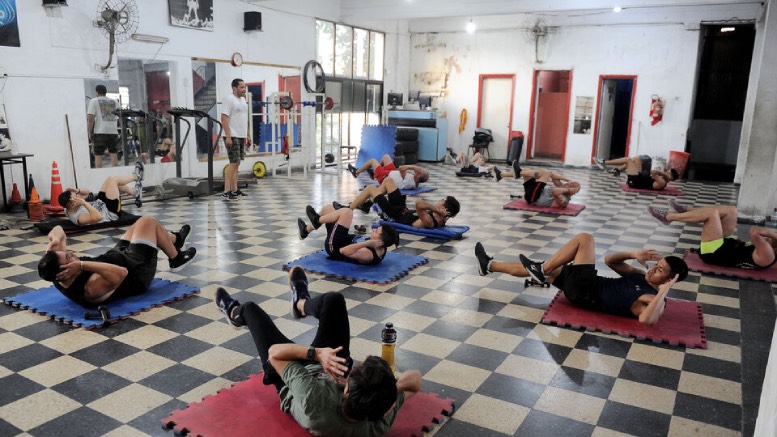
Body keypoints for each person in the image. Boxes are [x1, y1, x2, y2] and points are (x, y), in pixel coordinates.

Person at [213, 267, 421, 436]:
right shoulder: (377, 423)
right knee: (333, 300)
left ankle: (232, 312)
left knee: (250, 309)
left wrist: (317, 354)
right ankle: (300, 303)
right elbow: (415, 380)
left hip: (288, 372)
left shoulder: (313, 399)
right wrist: (393, 392)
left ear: (347, 389)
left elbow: (275, 353)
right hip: (332, 366)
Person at [474, 233, 689, 324]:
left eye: (660, 271)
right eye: (656, 266)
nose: (653, 270)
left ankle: (541, 270)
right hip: (587, 285)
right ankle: (489, 265)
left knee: (585, 239)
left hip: (587, 293)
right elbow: (610, 260)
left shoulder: (653, 298)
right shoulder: (641, 277)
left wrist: (664, 291)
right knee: (543, 267)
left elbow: (646, 320)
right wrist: (634, 255)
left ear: (669, 280)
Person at [37, 216, 196, 308]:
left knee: (139, 226)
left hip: (118, 255)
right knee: (148, 222)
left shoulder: (57, 274)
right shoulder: (91, 289)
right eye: (68, 257)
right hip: (137, 270)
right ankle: (176, 259)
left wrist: (55, 240)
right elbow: (122, 272)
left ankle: (176, 240)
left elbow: (58, 229)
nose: (71, 253)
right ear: (66, 271)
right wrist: (81, 265)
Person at [648, 202, 777, 270]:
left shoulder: (769, 255)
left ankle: (668, 217)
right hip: (727, 245)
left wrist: (772, 234)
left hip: (715, 253)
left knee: (711, 213)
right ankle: (685, 210)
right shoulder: (770, 247)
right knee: (731, 211)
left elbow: (754, 231)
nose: (769, 236)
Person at [334, 176, 459, 230]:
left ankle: (347, 209)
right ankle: (366, 205)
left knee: (371, 188)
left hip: (394, 215)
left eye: (442, 201)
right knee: (388, 180)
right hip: (401, 209)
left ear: (444, 207)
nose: (439, 200)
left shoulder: (431, 221)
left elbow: (418, 203)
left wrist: (437, 211)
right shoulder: (437, 216)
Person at [297, 203, 400, 265]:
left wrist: (366, 243)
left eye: (376, 232)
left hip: (334, 247)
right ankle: (305, 230)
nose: (373, 230)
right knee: (328, 208)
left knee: (347, 212)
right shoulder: (381, 244)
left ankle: (317, 220)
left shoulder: (369, 254)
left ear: (379, 241)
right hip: (343, 238)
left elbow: (343, 251)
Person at [58, 162, 143, 225]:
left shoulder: (69, 206)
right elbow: (98, 217)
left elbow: (87, 192)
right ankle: (137, 176)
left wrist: (77, 190)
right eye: (76, 196)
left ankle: (135, 193)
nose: (78, 197)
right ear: (72, 204)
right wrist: (84, 203)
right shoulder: (78, 217)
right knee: (112, 180)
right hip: (110, 211)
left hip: (101, 202)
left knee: (110, 182)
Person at [494, 161, 580, 209]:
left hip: (534, 198)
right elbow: (554, 177)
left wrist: (569, 190)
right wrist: (568, 180)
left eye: (567, 185)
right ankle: (501, 174)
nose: (565, 185)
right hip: (535, 192)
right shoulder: (563, 188)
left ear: (570, 190)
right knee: (527, 172)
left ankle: (518, 172)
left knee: (545, 173)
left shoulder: (565, 200)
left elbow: (555, 192)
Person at [221, 78, 250, 200]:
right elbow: (223, 118)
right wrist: (228, 136)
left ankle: (235, 189)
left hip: (240, 135)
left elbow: (245, 119)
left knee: (237, 163)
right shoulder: (229, 99)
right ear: (234, 88)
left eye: (244, 87)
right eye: (241, 87)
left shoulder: (243, 100)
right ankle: (226, 190)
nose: (244, 89)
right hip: (232, 135)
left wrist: (248, 135)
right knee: (233, 163)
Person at [594, 155, 679, 191]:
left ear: (670, 178)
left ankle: (604, 162)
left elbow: (653, 172)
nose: (665, 172)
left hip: (635, 182)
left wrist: (665, 175)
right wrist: (666, 174)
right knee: (636, 158)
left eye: (668, 173)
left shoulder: (663, 182)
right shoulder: (663, 179)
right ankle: (617, 171)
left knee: (628, 160)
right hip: (640, 177)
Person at [348, 154, 429, 189]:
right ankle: (374, 173)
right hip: (391, 173)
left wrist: (413, 167)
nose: (420, 169)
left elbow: (401, 168)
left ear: (418, 176)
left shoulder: (409, 181)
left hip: (385, 178)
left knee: (372, 161)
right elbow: (423, 180)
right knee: (386, 156)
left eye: (421, 171)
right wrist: (418, 171)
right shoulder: (418, 183)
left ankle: (356, 172)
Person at [87, 84, 120, 168]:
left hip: (100, 132)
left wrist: (89, 132)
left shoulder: (94, 101)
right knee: (113, 153)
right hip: (113, 132)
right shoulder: (115, 102)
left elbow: (90, 119)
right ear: (106, 92)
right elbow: (121, 117)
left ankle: (99, 174)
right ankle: (115, 175)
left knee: (98, 154)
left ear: (97, 92)